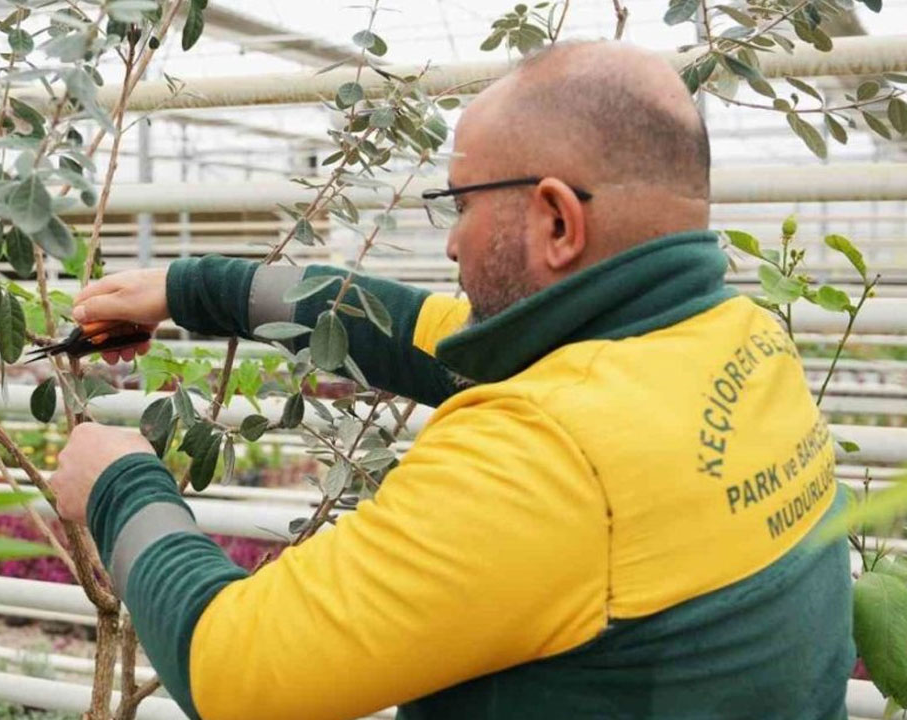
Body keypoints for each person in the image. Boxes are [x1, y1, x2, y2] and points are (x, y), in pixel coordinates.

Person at [47, 40, 854, 720]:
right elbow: (408, 329)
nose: (451, 245)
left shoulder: (552, 453)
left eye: (458, 203)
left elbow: (232, 667)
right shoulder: (731, 338)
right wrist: (190, 289)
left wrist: (119, 483)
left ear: (557, 221)